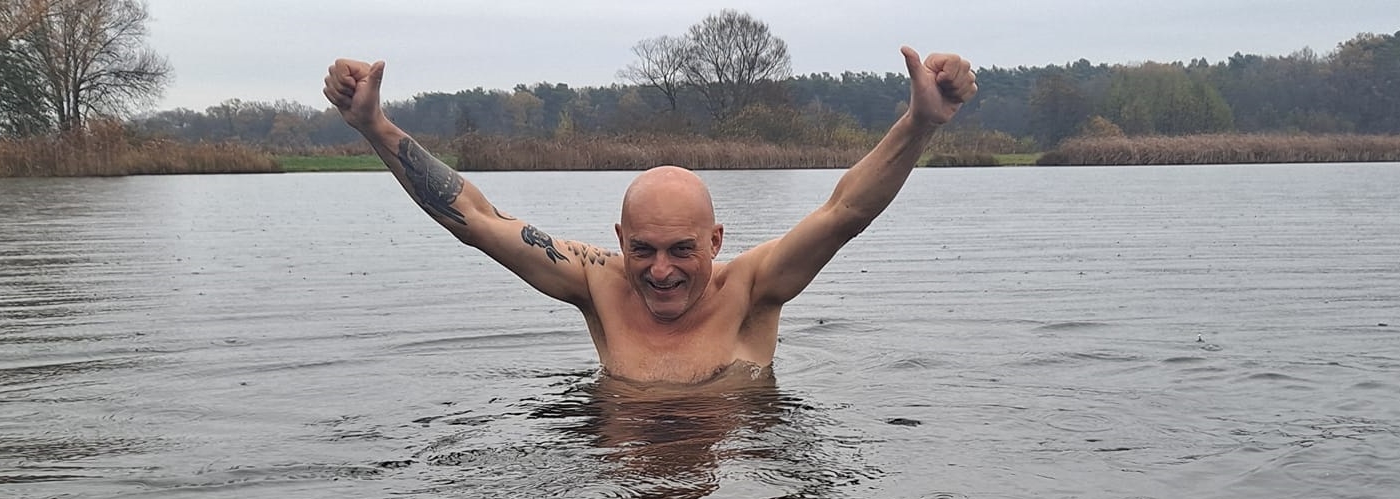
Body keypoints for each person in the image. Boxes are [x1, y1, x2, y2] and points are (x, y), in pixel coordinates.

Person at [323, 47, 976, 384]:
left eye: (681, 249)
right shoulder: (597, 283)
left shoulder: (753, 288)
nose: (660, 271)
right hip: (618, 489)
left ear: (715, 240)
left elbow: (845, 211)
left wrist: (919, 123)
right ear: (620, 240)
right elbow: (475, 217)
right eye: (643, 250)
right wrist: (373, 126)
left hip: (738, 486)